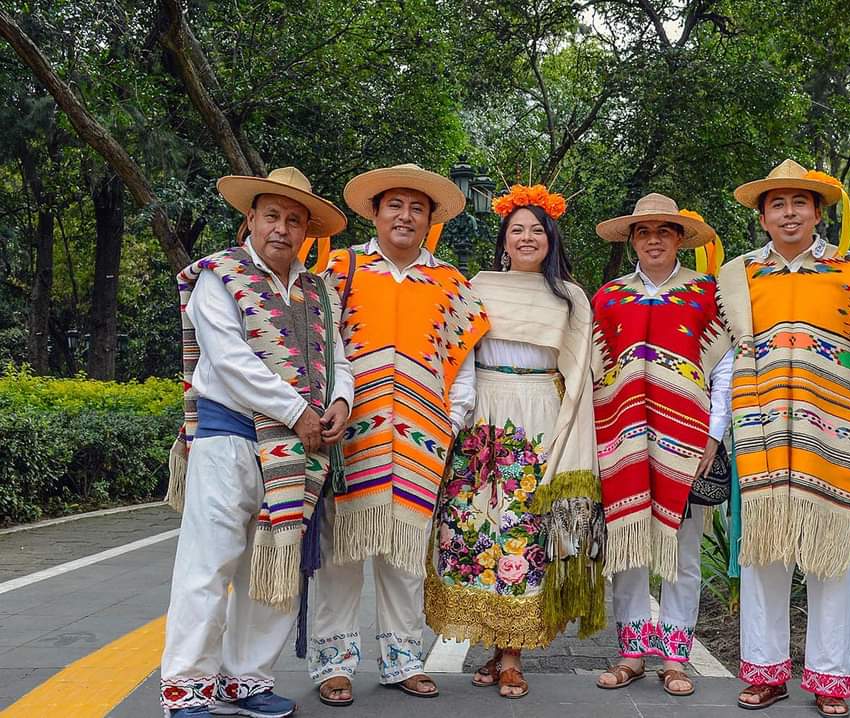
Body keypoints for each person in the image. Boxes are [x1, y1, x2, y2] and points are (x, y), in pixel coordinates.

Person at [160, 167, 353, 718]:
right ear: (250, 219)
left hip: (296, 449)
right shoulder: (218, 277)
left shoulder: (319, 291)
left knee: (276, 561)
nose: (283, 229)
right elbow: (228, 358)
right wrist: (296, 411)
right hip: (230, 436)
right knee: (210, 564)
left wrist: (341, 403)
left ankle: (246, 680)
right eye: (272, 215)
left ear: (307, 231)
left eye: (295, 220)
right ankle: (185, 687)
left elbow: (340, 358)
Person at [720, 160, 850, 717]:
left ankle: (829, 679)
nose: (790, 213)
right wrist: (727, 428)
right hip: (763, 434)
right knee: (764, 555)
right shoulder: (739, 277)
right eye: (778, 204)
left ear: (818, 211)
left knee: (831, 560)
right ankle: (765, 673)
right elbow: (724, 360)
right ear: (762, 216)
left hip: (835, 440)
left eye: (800, 202)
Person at [305, 164, 490, 706]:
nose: (405, 216)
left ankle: (402, 658)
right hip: (349, 435)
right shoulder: (341, 269)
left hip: (423, 438)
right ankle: (333, 663)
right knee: (340, 555)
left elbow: (464, 366)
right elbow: (317, 350)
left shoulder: (451, 284)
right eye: (396, 206)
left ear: (430, 220)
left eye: (417, 208)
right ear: (376, 212)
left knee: (406, 555)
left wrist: (450, 423)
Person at [425, 184, 605, 699]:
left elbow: (579, 374)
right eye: (517, 230)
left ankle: (511, 657)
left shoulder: (570, 297)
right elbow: (453, 354)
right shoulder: (476, 286)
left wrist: (568, 435)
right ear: (504, 239)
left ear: (550, 240)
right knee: (476, 526)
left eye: (536, 231)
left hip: (539, 417)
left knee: (523, 530)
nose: (526, 238)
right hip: (484, 412)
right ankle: (495, 645)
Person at [591, 193, 733, 698]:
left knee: (682, 551)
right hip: (620, 436)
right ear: (633, 239)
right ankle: (632, 652)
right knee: (627, 545)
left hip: (688, 437)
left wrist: (714, 434)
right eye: (643, 231)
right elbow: (593, 371)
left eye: (664, 231)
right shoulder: (608, 298)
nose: (653, 239)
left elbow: (724, 368)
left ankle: (676, 657)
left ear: (679, 239)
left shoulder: (706, 294)